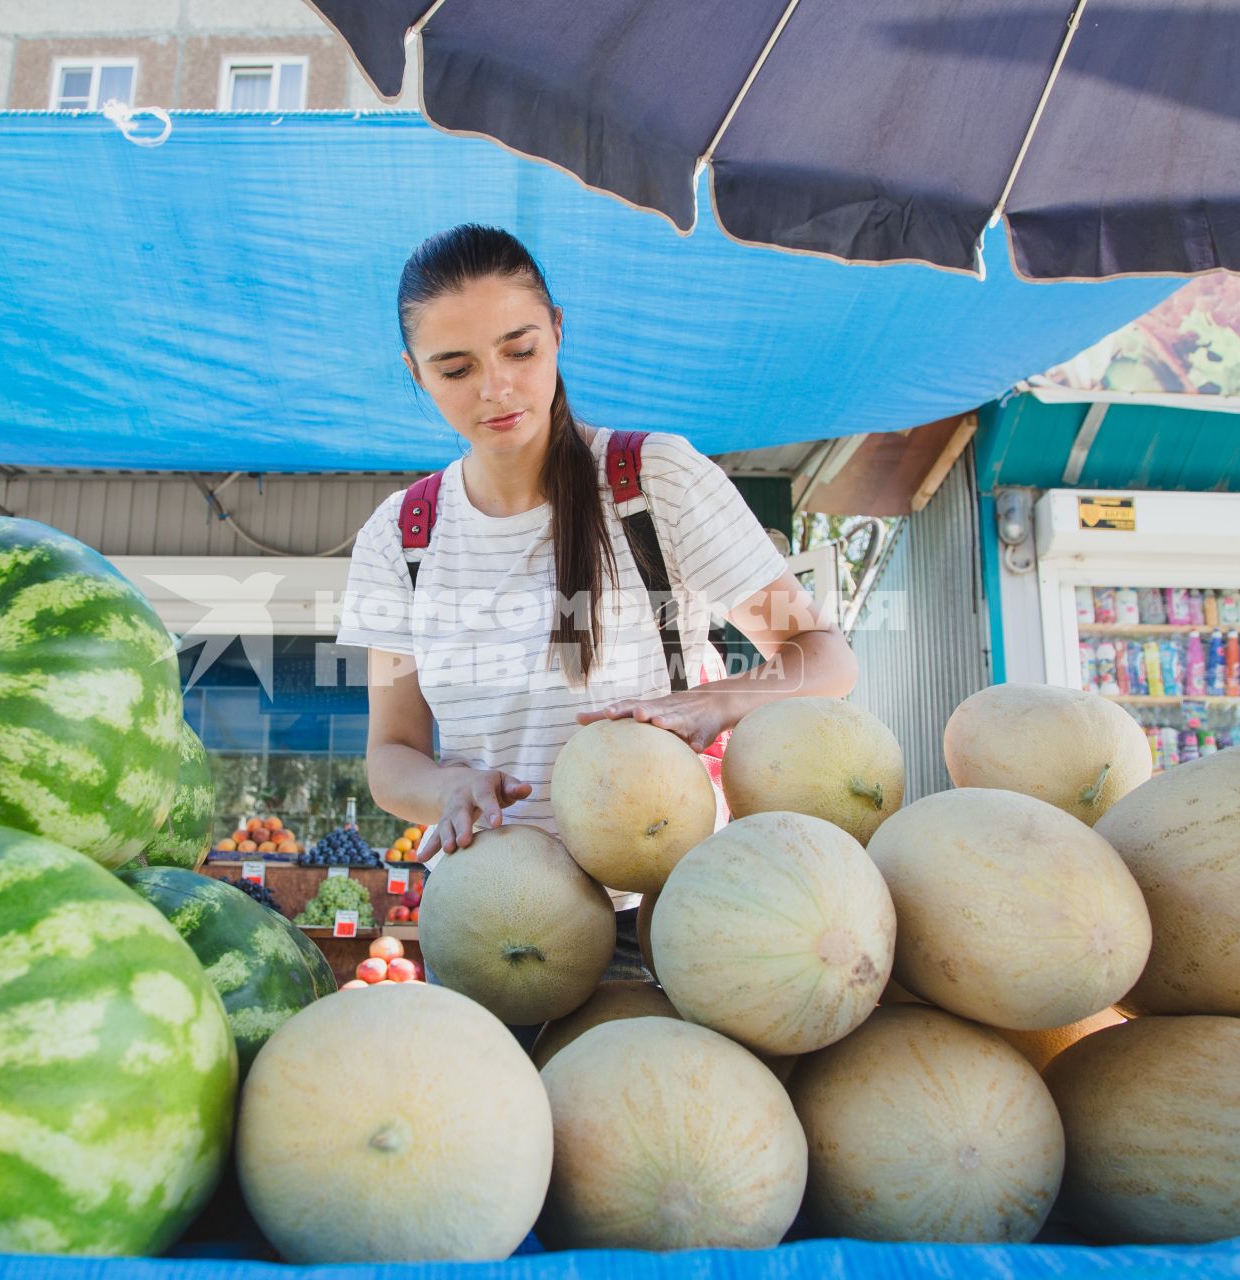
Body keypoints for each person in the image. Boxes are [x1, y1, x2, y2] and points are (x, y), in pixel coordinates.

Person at [334, 224, 858, 970]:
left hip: (665, 912)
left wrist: (719, 703)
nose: (497, 388)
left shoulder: (655, 482)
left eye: (520, 350)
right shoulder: (401, 538)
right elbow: (391, 755)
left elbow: (824, 658)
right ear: (416, 374)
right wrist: (447, 790)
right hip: (492, 919)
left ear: (557, 332)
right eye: (455, 368)